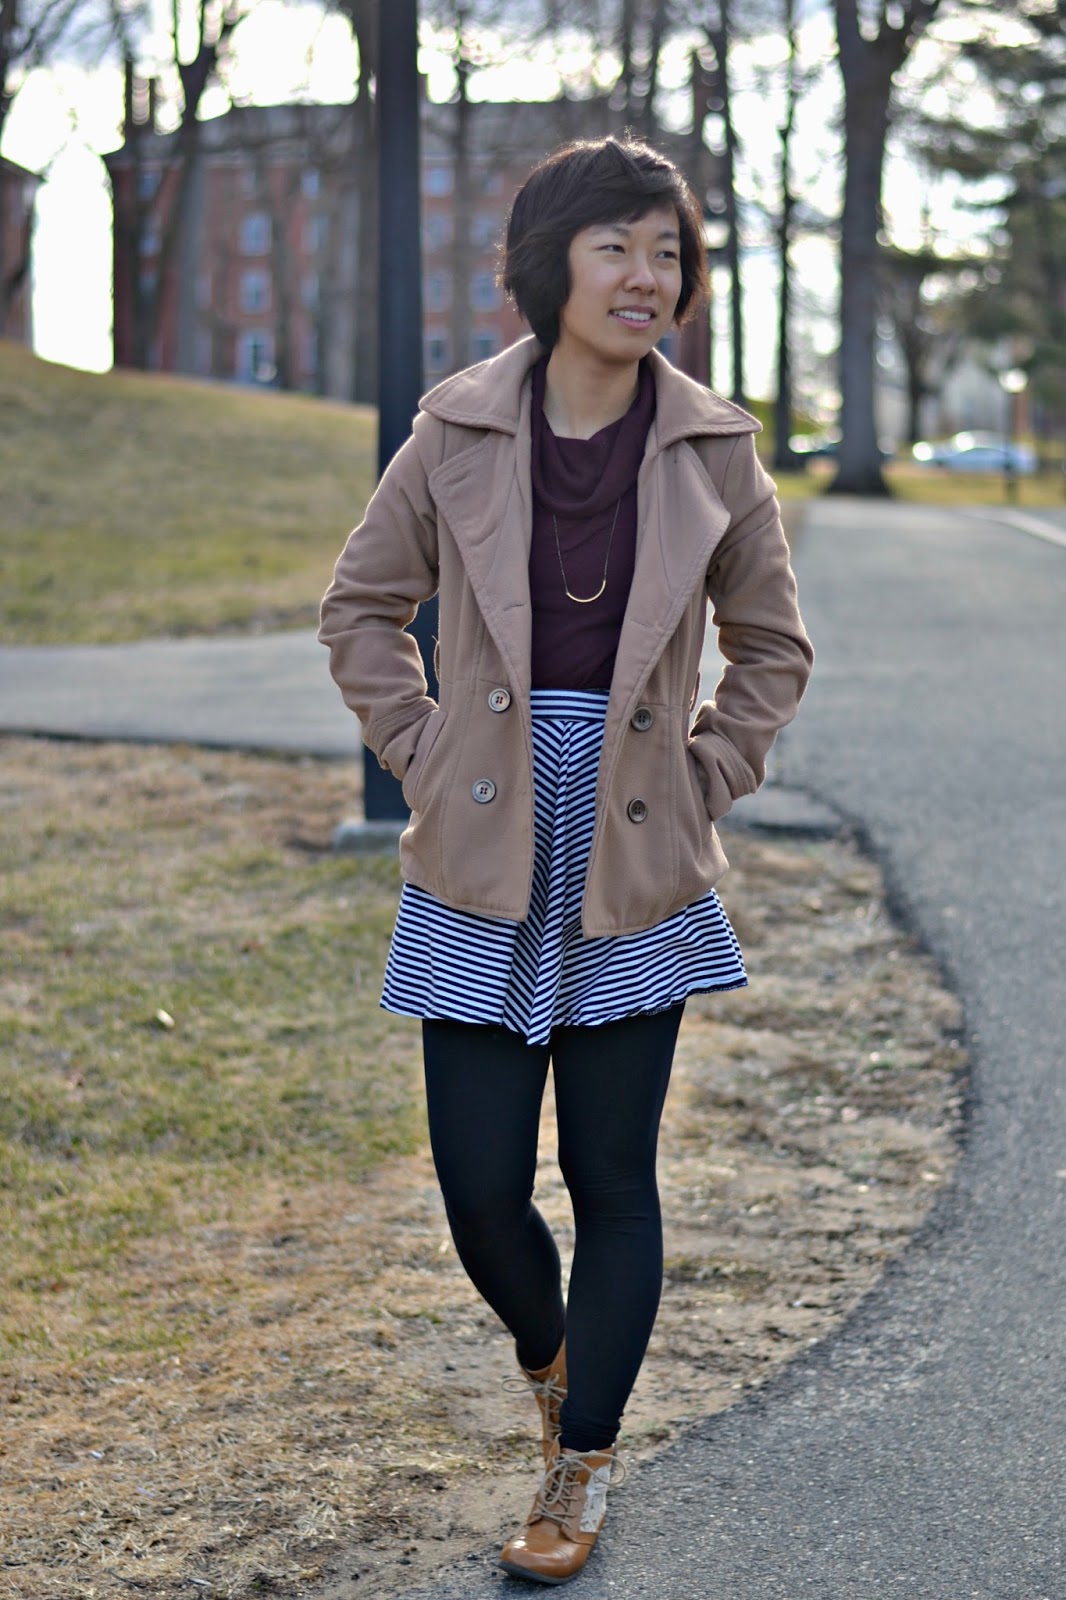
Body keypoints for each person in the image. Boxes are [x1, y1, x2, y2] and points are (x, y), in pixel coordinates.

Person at [319, 135, 813, 1586]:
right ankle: (555, 1362)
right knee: (479, 1186)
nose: (645, 276)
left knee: (613, 1176)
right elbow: (361, 609)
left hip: (636, 838)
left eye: (668, 252)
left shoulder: (713, 450)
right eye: (616, 248)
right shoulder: (456, 430)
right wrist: (418, 751)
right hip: (479, 826)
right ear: (553, 266)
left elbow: (772, 648)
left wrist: (707, 774)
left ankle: (580, 1463)